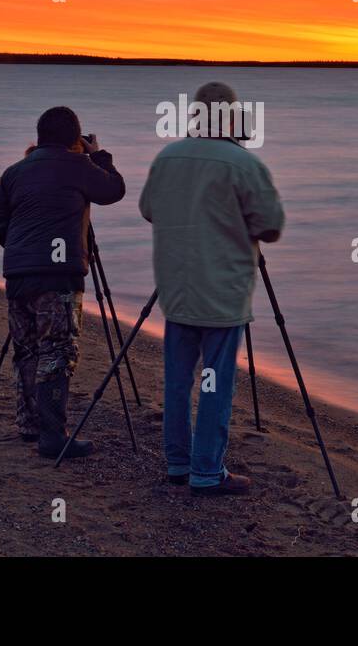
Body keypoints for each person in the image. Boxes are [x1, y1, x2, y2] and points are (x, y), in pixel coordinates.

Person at [139, 81, 284, 495]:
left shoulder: (167, 156)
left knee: (178, 380)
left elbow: (149, 210)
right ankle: (206, 471)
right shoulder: (243, 164)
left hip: (177, 286)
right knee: (215, 381)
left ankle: (178, 463)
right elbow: (269, 225)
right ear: (232, 117)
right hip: (223, 289)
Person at [0, 106, 125, 459]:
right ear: (74, 139)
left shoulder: (14, 172)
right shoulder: (80, 166)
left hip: (18, 275)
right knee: (58, 352)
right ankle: (52, 435)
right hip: (58, 276)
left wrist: (23, 249)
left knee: (27, 349)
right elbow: (113, 190)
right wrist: (100, 155)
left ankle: (29, 425)